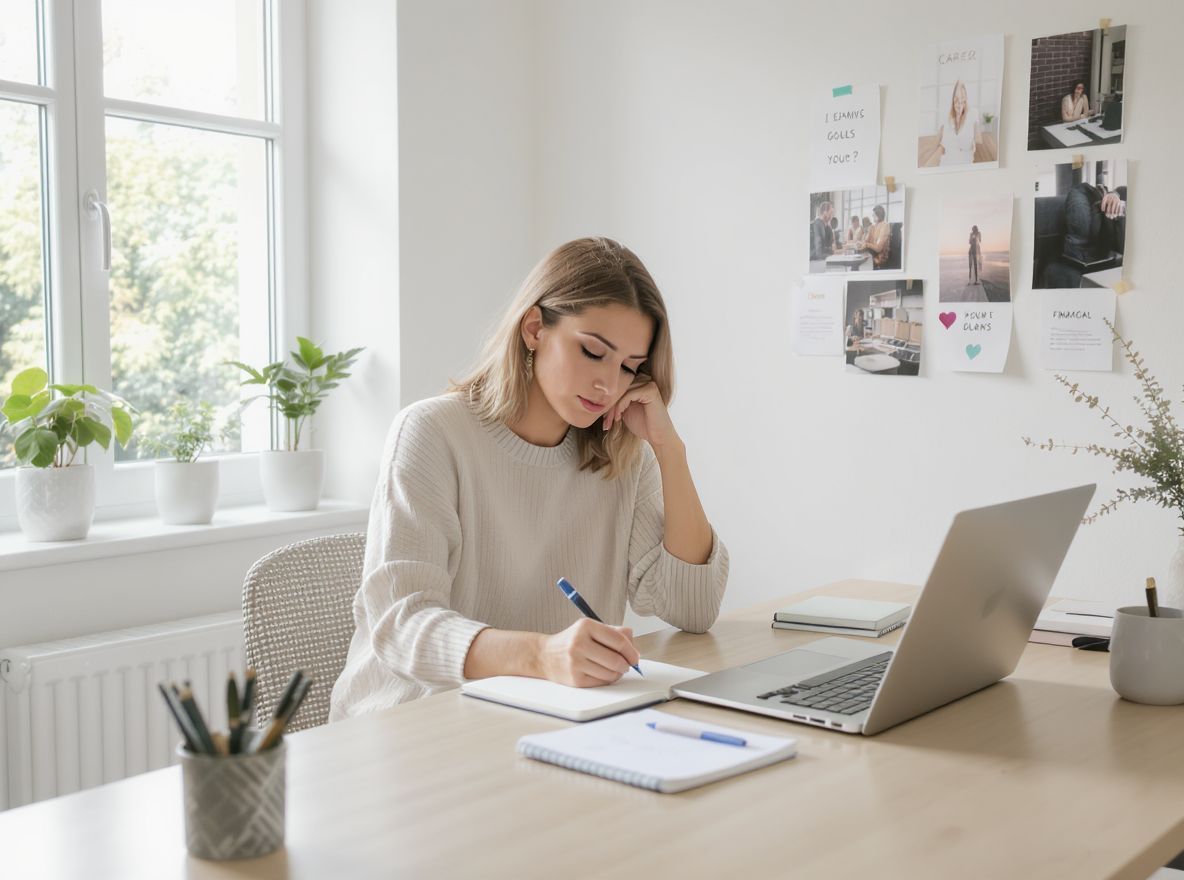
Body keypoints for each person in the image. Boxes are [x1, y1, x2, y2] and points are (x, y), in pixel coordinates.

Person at [329, 237, 729, 719]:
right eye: (592, 352)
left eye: (629, 368)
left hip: (543, 720)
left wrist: (671, 451)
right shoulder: (434, 433)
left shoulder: (623, 458)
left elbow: (694, 609)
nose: (609, 385)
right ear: (535, 328)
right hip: (412, 724)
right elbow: (402, 624)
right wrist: (543, 656)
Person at [1063, 177, 1126, 265]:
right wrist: (1114, 194)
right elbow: (1123, 190)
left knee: (1079, 190)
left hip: (1093, 246)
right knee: (1083, 189)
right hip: (1104, 218)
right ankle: (1102, 193)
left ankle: (1101, 193)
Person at [932, 80, 979, 166]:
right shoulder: (947, 119)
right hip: (947, 163)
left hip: (965, 164)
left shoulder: (972, 116)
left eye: (962, 100)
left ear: (965, 100)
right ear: (953, 100)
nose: (959, 103)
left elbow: (976, 144)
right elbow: (939, 145)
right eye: (956, 99)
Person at [861, 204, 892, 269]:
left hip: (880, 257)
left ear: (879, 215)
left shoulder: (885, 225)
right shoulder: (874, 226)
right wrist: (868, 232)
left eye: (874, 215)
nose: (872, 216)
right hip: (873, 254)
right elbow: (866, 242)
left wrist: (867, 244)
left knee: (861, 264)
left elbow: (878, 248)